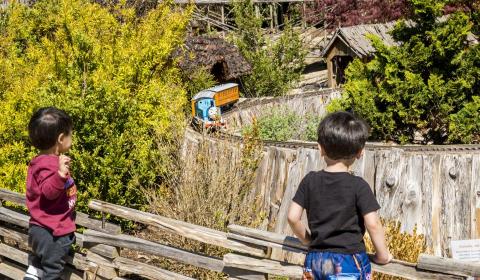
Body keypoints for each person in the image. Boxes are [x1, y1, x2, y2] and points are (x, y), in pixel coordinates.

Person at [288, 111, 392, 280]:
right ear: (360, 152)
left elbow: (293, 218)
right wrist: (383, 255)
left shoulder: (309, 181)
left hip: (316, 261)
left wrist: (308, 241)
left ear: (320, 148)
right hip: (349, 261)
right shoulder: (359, 186)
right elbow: (373, 224)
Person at [24, 107, 77, 280]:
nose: (72, 137)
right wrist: (61, 174)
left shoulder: (38, 161)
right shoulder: (51, 166)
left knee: (39, 264)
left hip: (38, 229)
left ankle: (32, 275)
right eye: (70, 134)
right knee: (52, 272)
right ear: (61, 139)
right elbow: (49, 192)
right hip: (53, 232)